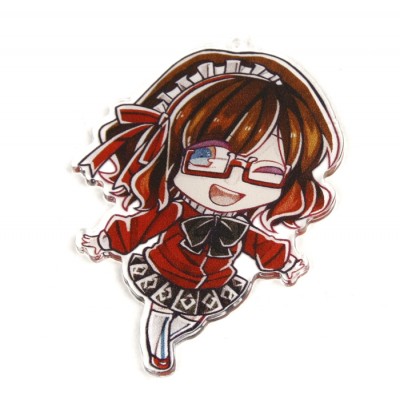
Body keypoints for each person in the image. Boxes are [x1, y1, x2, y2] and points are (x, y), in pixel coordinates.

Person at [77, 50, 342, 374]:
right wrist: (105, 241)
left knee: (195, 318)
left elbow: (263, 246)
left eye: (266, 171)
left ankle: (173, 335)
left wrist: (285, 262)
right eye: (208, 158)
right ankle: (159, 344)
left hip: (215, 281)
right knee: (161, 309)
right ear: (174, 151)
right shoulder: (176, 209)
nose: (233, 179)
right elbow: (140, 226)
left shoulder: (242, 226)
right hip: (164, 271)